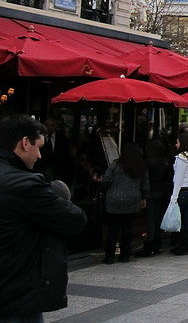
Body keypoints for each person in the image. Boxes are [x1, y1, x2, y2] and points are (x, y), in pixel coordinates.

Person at [0, 115, 87, 323]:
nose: (39, 156)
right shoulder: (26, 184)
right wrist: (57, 196)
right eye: (38, 147)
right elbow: (75, 219)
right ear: (25, 143)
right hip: (16, 292)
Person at [101, 142, 150, 264]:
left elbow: (106, 180)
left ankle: (110, 256)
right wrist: (143, 197)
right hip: (132, 199)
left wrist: (104, 190)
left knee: (113, 227)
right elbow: (145, 184)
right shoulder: (140, 166)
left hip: (114, 198)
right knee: (127, 227)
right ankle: (125, 255)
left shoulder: (116, 164)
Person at [135, 139, 171, 257]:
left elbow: (145, 178)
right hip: (162, 191)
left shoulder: (148, 162)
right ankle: (157, 243)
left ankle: (149, 244)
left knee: (150, 219)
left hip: (151, 192)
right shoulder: (165, 160)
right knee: (158, 218)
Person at [170, 134, 188, 255]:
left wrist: (174, 197)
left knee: (178, 219)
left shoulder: (181, 159)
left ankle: (185, 242)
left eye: (177, 142)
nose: (176, 145)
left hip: (182, 190)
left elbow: (178, 179)